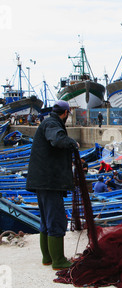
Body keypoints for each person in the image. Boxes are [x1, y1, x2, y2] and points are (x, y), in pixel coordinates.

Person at [26, 100, 79, 270]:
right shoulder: (52, 123)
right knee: (55, 220)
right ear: (65, 113)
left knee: (46, 220)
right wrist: (72, 143)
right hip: (50, 183)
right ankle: (58, 261)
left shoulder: (47, 121)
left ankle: (47, 258)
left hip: (42, 181)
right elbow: (57, 139)